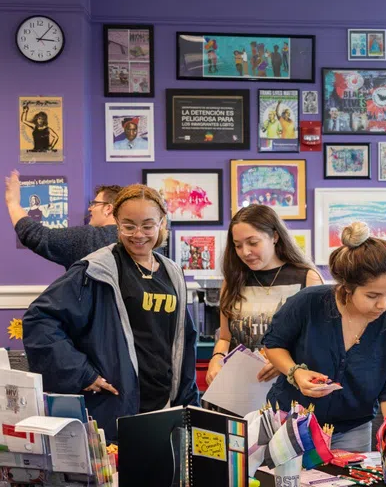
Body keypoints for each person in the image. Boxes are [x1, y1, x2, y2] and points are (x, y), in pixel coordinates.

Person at [22, 184, 199, 442]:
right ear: (116, 223)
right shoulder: (96, 269)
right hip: (116, 409)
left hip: (164, 407)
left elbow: (184, 341)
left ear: (161, 223)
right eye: (129, 226)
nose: (138, 234)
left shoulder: (172, 273)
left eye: (148, 226)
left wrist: (188, 401)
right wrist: (82, 373)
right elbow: (40, 320)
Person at [262, 222, 386, 452]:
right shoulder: (310, 302)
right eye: (372, 295)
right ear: (348, 287)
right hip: (290, 423)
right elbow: (273, 344)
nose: (384, 304)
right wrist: (296, 372)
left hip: (352, 431)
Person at [205, 204, 323, 385]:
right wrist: (216, 358)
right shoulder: (232, 280)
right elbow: (225, 337)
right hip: (239, 388)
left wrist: (284, 362)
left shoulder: (307, 278)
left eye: (253, 243)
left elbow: (317, 342)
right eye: (238, 245)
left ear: (274, 236)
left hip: (288, 387)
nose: (245, 252)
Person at [6, 170, 120, 269]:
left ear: (108, 209)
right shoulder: (133, 240)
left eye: (94, 204)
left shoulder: (90, 239)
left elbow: (36, 235)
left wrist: (13, 203)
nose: (90, 208)